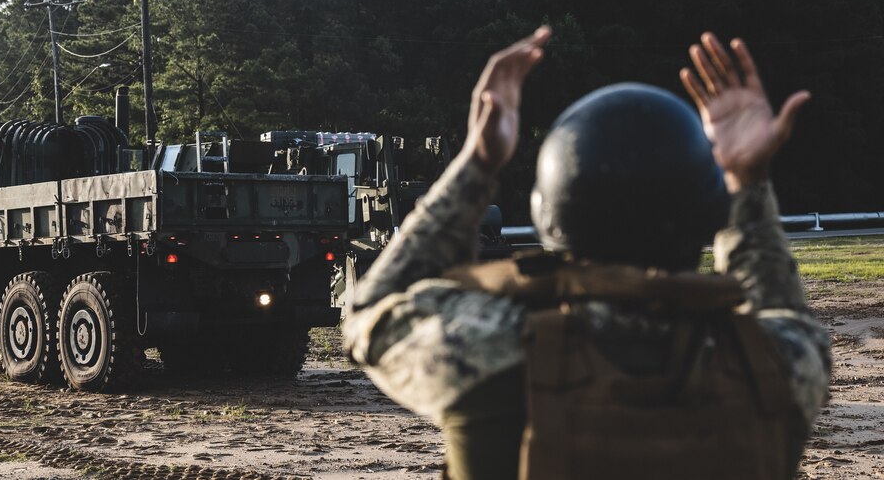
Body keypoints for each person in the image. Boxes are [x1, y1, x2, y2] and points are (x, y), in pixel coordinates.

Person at [343, 27, 831, 479]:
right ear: (705, 213)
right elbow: (783, 311)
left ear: (548, 212)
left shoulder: (486, 347)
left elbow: (368, 310)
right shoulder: (778, 368)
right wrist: (747, 184)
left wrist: (478, 160)